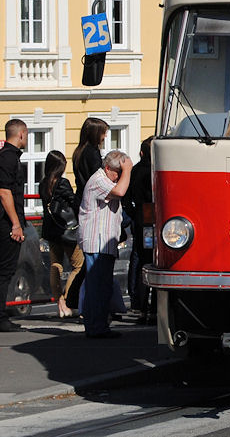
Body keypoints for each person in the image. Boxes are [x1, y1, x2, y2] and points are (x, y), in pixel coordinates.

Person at [78, 149, 132, 338]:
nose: (119, 177)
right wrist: (128, 170)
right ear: (108, 168)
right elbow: (120, 191)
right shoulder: (98, 180)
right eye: (117, 172)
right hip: (96, 241)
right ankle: (95, 327)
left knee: (103, 286)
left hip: (104, 242)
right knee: (97, 286)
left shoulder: (105, 178)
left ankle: (99, 325)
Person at [39, 150, 83, 318]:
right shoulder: (62, 183)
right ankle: (67, 300)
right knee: (78, 267)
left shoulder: (43, 184)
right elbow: (73, 203)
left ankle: (59, 302)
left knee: (56, 264)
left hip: (51, 230)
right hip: (67, 231)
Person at [122, 137, 154, 321]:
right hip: (155, 217)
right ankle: (155, 308)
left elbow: (126, 198)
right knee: (157, 264)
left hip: (142, 217)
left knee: (142, 261)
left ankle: (141, 307)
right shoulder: (155, 170)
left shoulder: (135, 171)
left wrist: (134, 213)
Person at [0, 118, 28, 332]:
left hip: (7, 222)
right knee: (5, 271)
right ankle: (1, 317)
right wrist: (16, 224)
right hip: (6, 224)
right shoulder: (9, 158)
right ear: (21, 134)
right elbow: (4, 191)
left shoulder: (9, 157)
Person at [72, 117, 109, 212]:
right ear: (95, 133)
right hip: (91, 202)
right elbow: (98, 179)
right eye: (103, 133)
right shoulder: (92, 153)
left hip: (80, 197)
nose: (105, 136)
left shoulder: (79, 151)